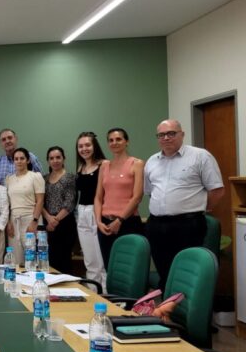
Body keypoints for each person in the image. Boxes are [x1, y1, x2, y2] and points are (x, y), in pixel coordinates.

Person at [145, 119, 224, 290]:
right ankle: (166, 312)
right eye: (161, 135)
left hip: (188, 225)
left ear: (182, 134)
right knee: (164, 274)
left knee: (186, 274)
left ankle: (187, 313)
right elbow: (151, 192)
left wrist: (198, 208)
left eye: (171, 133)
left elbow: (217, 190)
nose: (166, 138)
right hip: (156, 225)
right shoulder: (152, 161)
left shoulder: (200, 156)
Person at [94, 128, 144, 270]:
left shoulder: (137, 164)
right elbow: (98, 197)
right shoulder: (104, 166)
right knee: (110, 268)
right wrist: (98, 222)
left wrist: (119, 220)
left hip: (128, 223)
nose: (114, 143)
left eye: (118, 139)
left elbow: (137, 197)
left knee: (128, 269)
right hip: (105, 225)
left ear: (126, 142)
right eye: (111, 140)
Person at [75, 132, 107, 288]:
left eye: (87, 145)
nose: (84, 149)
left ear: (94, 146)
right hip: (82, 212)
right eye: (80, 146)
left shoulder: (104, 165)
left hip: (98, 211)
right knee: (90, 260)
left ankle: (107, 296)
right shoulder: (81, 167)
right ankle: (94, 293)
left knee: (101, 260)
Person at [5, 148, 45, 265]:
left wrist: (34, 221)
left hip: (31, 220)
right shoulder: (9, 179)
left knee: (31, 260)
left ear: (28, 160)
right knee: (16, 261)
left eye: (22, 158)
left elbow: (40, 200)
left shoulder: (35, 176)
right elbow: (8, 203)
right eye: (16, 159)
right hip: (14, 222)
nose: (19, 161)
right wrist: (8, 222)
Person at [42, 146, 77, 273]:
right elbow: (40, 202)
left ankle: (66, 291)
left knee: (64, 260)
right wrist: (48, 218)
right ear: (48, 161)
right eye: (51, 158)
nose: (55, 160)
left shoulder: (69, 177)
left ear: (63, 159)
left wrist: (55, 220)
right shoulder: (44, 179)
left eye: (58, 157)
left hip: (65, 224)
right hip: (48, 224)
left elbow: (70, 202)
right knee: (50, 260)